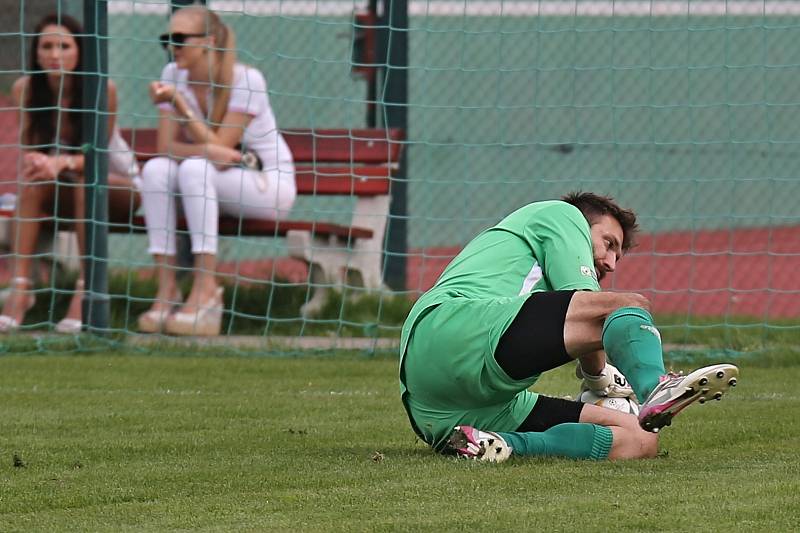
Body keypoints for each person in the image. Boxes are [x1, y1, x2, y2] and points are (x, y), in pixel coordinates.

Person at [399, 192, 739, 462]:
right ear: (583, 224)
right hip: (450, 328)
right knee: (628, 306)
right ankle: (656, 385)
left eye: (618, 257)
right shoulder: (562, 215)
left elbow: (583, 319)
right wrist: (600, 378)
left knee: (640, 438)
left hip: (442, 414)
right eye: (609, 243)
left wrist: (602, 378)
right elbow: (589, 307)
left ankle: (499, 446)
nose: (610, 262)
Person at [138, 5, 296, 336]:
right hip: (217, 176)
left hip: (268, 185)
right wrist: (208, 151)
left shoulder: (245, 79)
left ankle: (205, 289)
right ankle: (167, 291)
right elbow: (167, 147)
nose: (172, 47)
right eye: (167, 39)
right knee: (154, 170)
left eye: (180, 39)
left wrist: (181, 108)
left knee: (194, 169)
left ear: (208, 41)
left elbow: (223, 147)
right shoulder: (172, 76)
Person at [0, 13, 141, 334]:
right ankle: (21, 290)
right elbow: (31, 147)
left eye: (64, 46)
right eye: (46, 46)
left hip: (118, 188)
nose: (54, 54)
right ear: (35, 52)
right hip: (60, 189)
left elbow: (98, 157)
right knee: (32, 184)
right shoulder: (26, 89)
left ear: (80, 51)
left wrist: (61, 163)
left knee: (84, 183)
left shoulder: (102, 88)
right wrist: (39, 163)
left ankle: (84, 290)